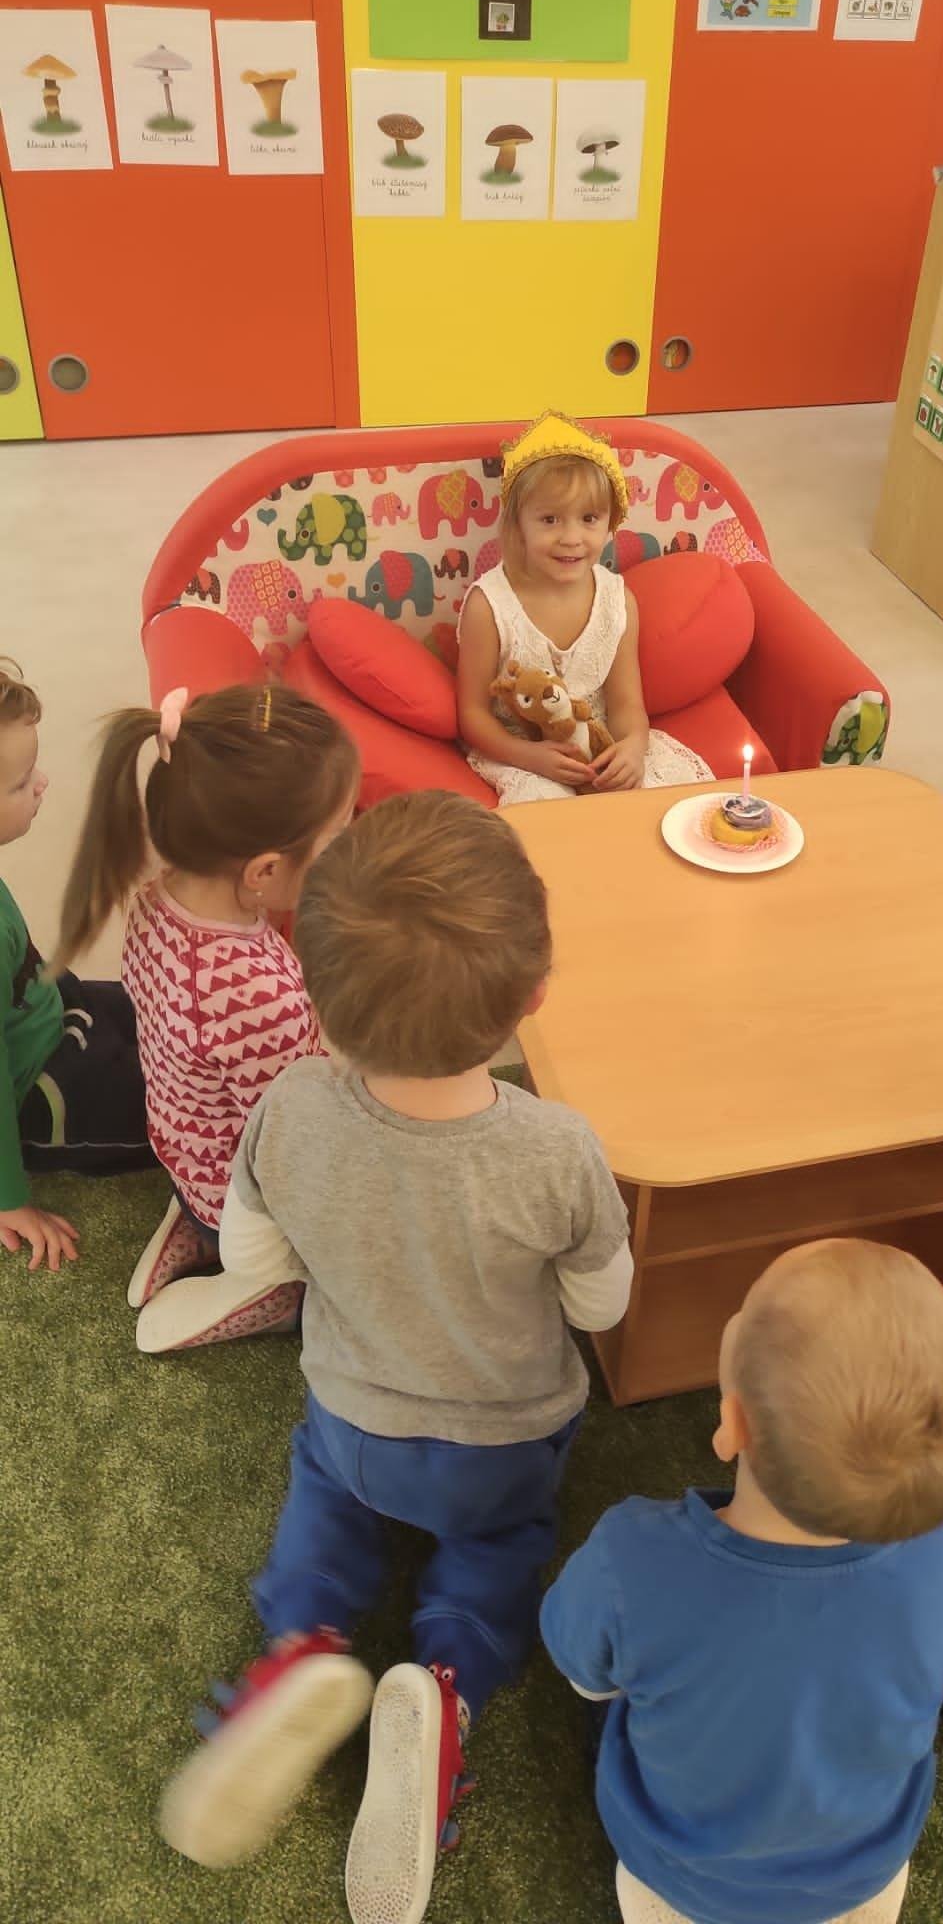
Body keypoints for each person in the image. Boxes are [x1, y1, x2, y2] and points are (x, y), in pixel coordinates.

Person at [153, 791, 633, 1924]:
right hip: (502, 1438)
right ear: (533, 997)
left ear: (316, 995)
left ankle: (300, 1636)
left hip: (354, 1420)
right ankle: (446, 1679)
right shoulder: (557, 1147)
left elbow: (256, 1253)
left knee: (321, 1499)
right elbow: (602, 1299)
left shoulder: (288, 1107)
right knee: (498, 1550)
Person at [541, 1239, 943, 1924]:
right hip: (865, 1869)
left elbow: (579, 1664)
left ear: (732, 1426)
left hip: (678, 1875)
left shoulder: (631, 1557)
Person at [53, 683, 359, 1341]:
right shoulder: (262, 998)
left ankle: (195, 1222)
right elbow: (291, 1139)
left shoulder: (155, 896)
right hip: (240, 1197)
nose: (348, 842)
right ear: (264, 872)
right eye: (337, 833)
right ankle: (267, 1291)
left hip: (185, 1148)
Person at [456, 410, 713, 806]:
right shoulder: (488, 606)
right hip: (521, 754)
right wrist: (529, 756)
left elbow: (627, 704)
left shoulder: (616, 600)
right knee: (545, 810)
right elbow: (472, 714)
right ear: (518, 524)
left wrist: (632, 748)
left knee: (664, 801)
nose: (571, 537)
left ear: (610, 522)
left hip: (597, 741)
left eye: (589, 518)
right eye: (550, 519)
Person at [0, 659, 153, 1272]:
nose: (42, 784)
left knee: (150, 1010)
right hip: (41, 1088)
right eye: (20, 784)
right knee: (176, 1109)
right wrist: (10, 1200)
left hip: (50, 1003)